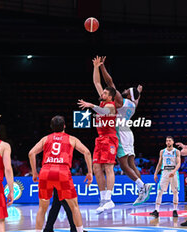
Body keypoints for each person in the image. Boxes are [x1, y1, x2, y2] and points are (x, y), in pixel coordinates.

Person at [99, 56, 152, 206]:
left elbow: (110, 83)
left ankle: (142, 186)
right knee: (131, 164)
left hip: (120, 133)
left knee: (123, 165)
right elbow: (137, 98)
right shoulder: (133, 104)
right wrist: (139, 91)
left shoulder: (121, 102)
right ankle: (142, 191)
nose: (123, 90)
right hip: (128, 132)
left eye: (126, 90)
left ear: (128, 95)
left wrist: (102, 67)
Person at [28, 115, 92, 232]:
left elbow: (31, 153)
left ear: (52, 127)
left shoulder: (45, 139)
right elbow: (87, 153)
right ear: (64, 126)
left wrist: (34, 173)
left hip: (46, 171)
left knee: (42, 209)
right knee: (74, 207)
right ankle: (79, 230)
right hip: (62, 171)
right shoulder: (71, 139)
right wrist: (89, 172)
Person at [77, 56, 118, 214]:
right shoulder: (103, 101)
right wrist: (96, 67)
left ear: (110, 96)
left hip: (110, 139)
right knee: (96, 167)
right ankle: (103, 199)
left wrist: (91, 105)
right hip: (100, 139)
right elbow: (97, 83)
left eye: (105, 92)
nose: (103, 93)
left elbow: (104, 112)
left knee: (108, 167)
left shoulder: (110, 106)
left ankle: (109, 199)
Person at [150, 136, 181, 218]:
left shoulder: (176, 151)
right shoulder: (162, 151)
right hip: (165, 172)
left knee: (175, 192)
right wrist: (155, 173)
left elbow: (178, 163)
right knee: (160, 191)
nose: (168, 142)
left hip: (173, 172)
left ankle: (175, 210)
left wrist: (174, 171)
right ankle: (156, 210)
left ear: (173, 142)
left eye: (170, 141)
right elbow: (159, 163)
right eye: (167, 141)